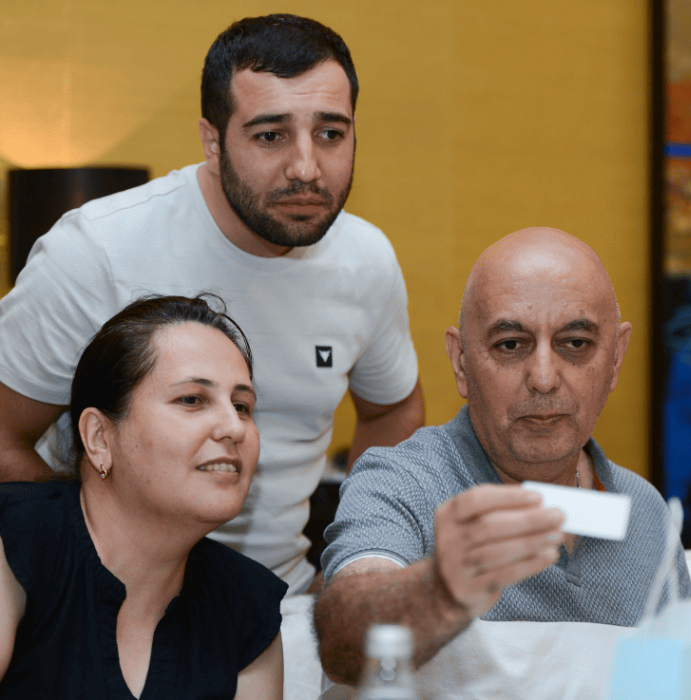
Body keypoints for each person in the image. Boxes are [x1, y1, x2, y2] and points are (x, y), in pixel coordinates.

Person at [0, 14, 423, 594]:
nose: (306, 167)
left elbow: (391, 412)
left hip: (286, 602)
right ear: (212, 140)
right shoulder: (98, 251)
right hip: (105, 600)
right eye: (270, 135)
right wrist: (81, 564)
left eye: (331, 133)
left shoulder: (366, 261)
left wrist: (351, 558)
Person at [314, 228, 691, 689]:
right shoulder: (402, 481)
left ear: (615, 358)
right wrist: (439, 589)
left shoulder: (644, 511)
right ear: (461, 363)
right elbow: (343, 639)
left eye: (576, 343)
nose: (545, 378)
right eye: (511, 345)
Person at [0, 295, 287, 698]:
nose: (234, 428)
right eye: (192, 399)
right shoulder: (16, 542)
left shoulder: (246, 604)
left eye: (242, 406)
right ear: (100, 438)